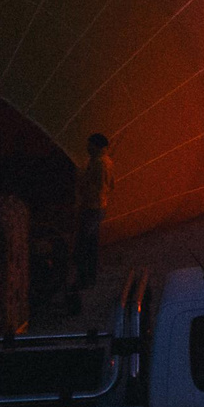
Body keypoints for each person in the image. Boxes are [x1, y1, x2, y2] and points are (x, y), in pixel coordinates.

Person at [70, 131, 113, 311]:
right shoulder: (106, 162)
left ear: (97, 146)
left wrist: (82, 202)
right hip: (98, 207)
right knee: (91, 243)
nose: (87, 148)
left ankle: (84, 279)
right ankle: (89, 278)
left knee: (84, 243)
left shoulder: (98, 164)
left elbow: (93, 187)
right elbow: (110, 185)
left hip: (92, 208)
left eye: (90, 145)